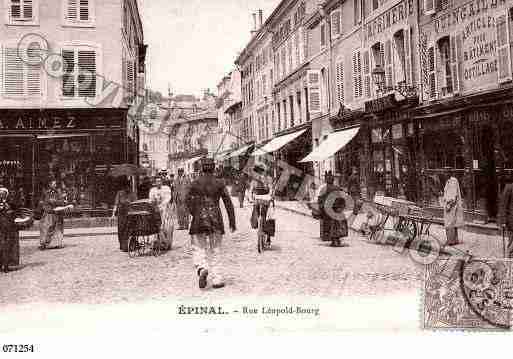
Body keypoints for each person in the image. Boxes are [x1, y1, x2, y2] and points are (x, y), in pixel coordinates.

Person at [185, 158, 236, 289]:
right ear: (213, 168)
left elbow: (186, 199)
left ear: (202, 168)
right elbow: (228, 202)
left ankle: (202, 268)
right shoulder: (219, 183)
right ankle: (217, 279)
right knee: (216, 249)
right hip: (215, 219)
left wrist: (194, 212)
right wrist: (232, 221)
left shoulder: (195, 182)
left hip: (199, 219)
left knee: (198, 247)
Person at [317, 173, 347, 247]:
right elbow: (342, 198)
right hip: (337, 209)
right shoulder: (337, 188)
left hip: (328, 209)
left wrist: (321, 207)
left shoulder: (324, 188)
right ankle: (337, 239)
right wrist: (341, 207)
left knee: (329, 224)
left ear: (327, 181)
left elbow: (320, 199)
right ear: (333, 181)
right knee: (337, 224)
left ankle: (333, 239)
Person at [39, 179, 67, 250]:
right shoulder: (45, 193)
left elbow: (62, 202)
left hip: (56, 213)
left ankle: (57, 244)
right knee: (45, 228)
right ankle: (44, 243)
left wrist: (55, 201)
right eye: (54, 184)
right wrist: (45, 204)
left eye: (55, 184)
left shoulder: (58, 193)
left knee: (57, 229)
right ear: (50, 185)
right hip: (48, 213)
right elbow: (41, 202)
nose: (55, 186)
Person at [149, 177, 174, 251]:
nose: (158, 183)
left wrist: (162, 205)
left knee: (166, 226)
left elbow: (168, 198)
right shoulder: (153, 190)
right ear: (155, 182)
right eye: (157, 181)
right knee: (155, 225)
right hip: (156, 210)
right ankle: (155, 243)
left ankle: (166, 243)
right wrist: (155, 204)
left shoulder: (166, 189)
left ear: (162, 182)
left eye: (159, 181)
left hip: (165, 210)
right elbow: (151, 199)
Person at [112, 178, 137, 252]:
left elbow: (135, 203)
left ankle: (130, 245)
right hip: (122, 214)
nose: (127, 188)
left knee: (129, 229)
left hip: (130, 214)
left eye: (128, 186)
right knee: (121, 230)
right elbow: (116, 204)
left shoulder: (132, 194)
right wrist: (113, 214)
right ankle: (122, 246)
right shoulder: (119, 193)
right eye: (126, 186)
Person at [442, 170, 464, 246]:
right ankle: (454, 240)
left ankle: (451, 241)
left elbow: (454, 194)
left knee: (450, 223)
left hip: (451, 205)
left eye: (446, 173)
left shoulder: (453, 181)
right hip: (449, 204)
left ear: (449, 173)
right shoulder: (448, 181)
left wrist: (449, 204)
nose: (444, 174)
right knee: (452, 222)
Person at [0, 187, 18, 273]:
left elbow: (15, 212)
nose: (1, 194)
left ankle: (6, 265)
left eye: (3, 193)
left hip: (8, 227)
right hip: (1, 228)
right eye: (0, 193)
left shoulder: (11, 203)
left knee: (7, 246)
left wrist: (10, 211)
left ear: (6, 194)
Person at [499, 181, 513, 257]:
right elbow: (503, 205)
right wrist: (503, 221)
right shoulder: (509, 187)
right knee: (511, 243)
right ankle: (509, 260)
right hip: (511, 221)